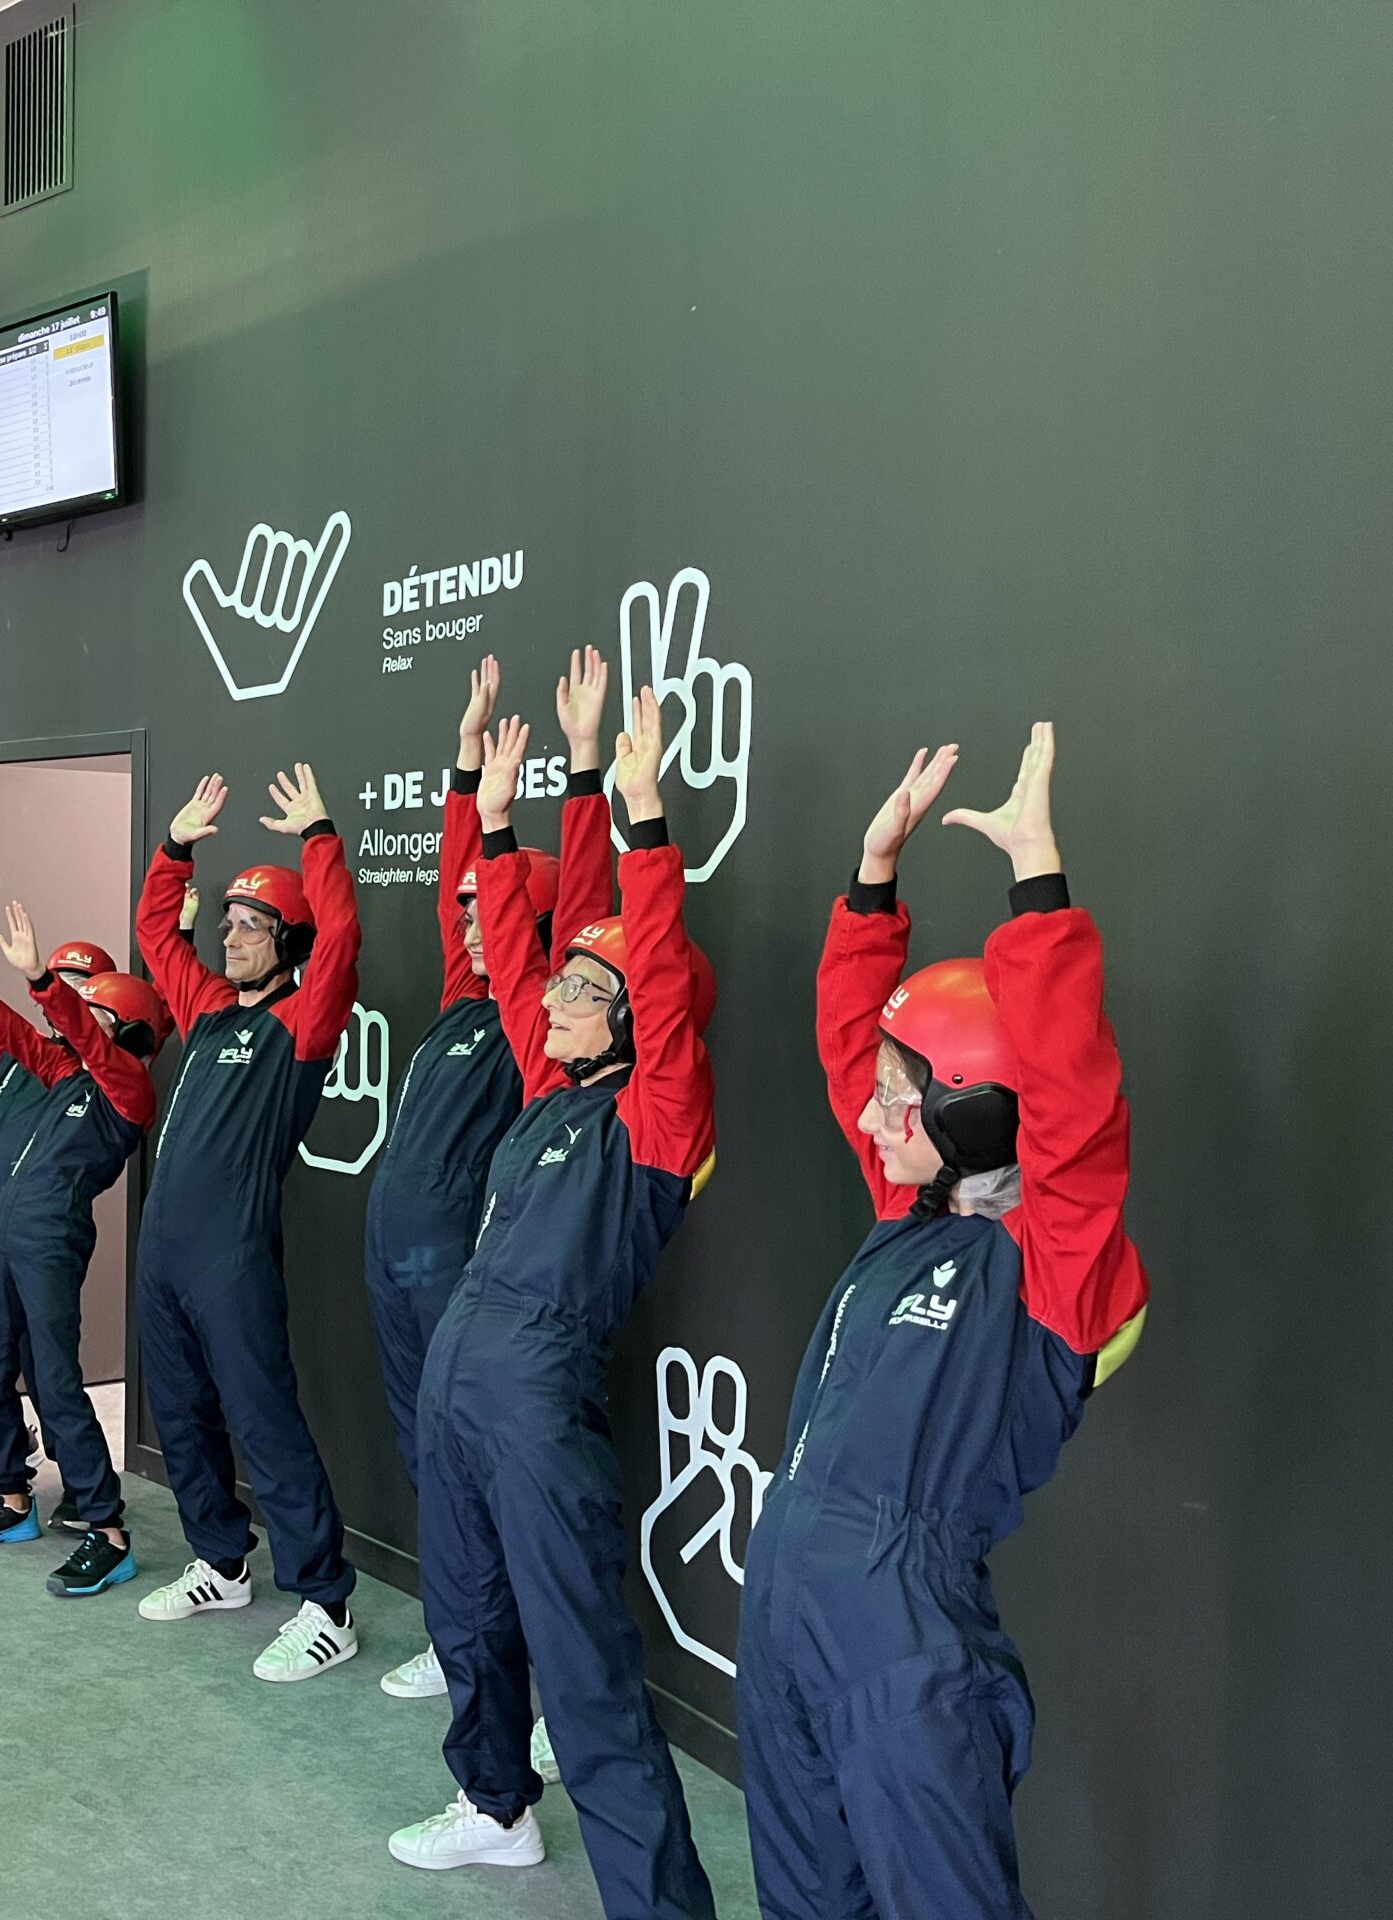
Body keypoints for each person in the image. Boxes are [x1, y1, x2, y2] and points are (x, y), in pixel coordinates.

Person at [737, 725, 1148, 1920]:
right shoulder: (909, 1208)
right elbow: (843, 1041)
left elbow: (1073, 1108)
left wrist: (1036, 890)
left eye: (898, 1096)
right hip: (787, 1609)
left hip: (899, 1639)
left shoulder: (1048, 1270)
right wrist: (872, 881)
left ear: (975, 1105)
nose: (869, 1116)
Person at [392, 688, 719, 1920]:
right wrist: (508, 811)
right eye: (565, 993)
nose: (553, 1004)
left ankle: (658, 1904)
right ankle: (492, 1807)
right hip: (460, 1377)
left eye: (587, 997)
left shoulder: (656, 1115)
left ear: (633, 1022)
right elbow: (525, 950)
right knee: (467, 1619)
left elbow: (659, 978)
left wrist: (640, 819)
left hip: (536, 1400)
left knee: (582, 1669)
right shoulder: (547, 1082)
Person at [129, 763, 366, 1682]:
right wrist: (176, 847)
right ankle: (221, 1562)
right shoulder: (207, 1010)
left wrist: (320, 837)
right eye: (226, 922)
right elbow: (158, 932)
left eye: (252, 926)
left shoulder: (302, 1024)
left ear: (287, 941)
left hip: (230, 1256)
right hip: (164, 1252)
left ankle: (324, 1601)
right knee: (182, 1414)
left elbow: (344, 935)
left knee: (263, 1421)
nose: (229, 937)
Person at [367, 654, 563, 1702]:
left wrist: (538, 795)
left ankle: (510, 1666)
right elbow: (459, 883)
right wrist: (462, 760)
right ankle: (461, 1640)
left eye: (491, 915)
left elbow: (528, 895)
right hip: (391, 1261)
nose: (471, 926)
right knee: (424, 1456)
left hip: (457, 1266)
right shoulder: (461, 991)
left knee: (472, 1468)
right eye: (468, 918)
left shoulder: (533, 1026)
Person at [0, 901, 167, 1598]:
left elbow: (95, 1047)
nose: (84, 1026)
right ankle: (14, 1498)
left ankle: (106, 1528)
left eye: (101, 1018)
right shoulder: (59, 1072)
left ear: (129, 1033)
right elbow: (8, 1028)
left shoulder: (127, 1089)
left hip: (50, 1242)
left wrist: (46, 979)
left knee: (54, 1381)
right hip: (2, 1240)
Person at [0, 871, 116, 1503]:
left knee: (44, 1362)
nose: (60, 995)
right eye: (53, 982)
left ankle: (72, 1472)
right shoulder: (21, 1047)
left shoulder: (91, 1078)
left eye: (76, 988)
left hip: (32, 1231)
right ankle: (4, 1449)